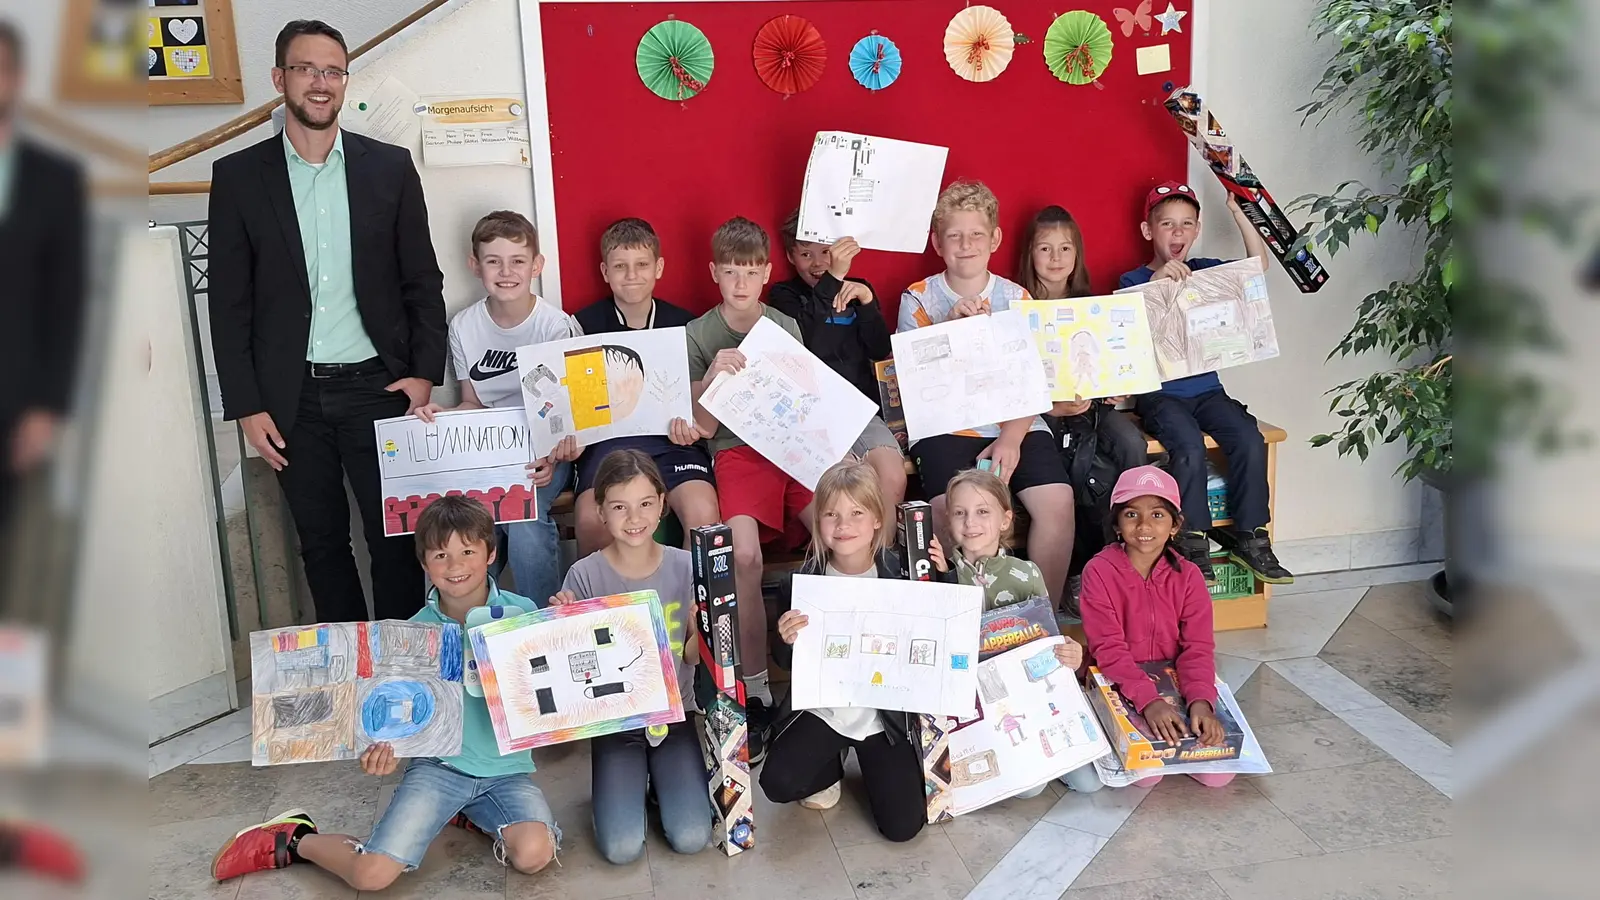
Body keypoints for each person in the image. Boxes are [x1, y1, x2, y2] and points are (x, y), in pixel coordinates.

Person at [208, 19, 446, 621]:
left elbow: (422, 279)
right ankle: (352, 671)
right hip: (291, 401)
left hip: (378, 387)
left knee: (395, 541)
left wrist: (423, 373)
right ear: (279, 78)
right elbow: (229, 303)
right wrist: (246, 404)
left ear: (344, 80)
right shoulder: (238, 178)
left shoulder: (388, 168)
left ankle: (399, 670)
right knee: (321, 546)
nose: (320, 82)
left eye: (332, 70)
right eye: (306, 69)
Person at [211, 496, 561, 888]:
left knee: (534, 854)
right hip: (439, 771)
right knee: (370, 876)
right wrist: (383, 751)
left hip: (506, 772)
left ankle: (467, 812)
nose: (456, 565)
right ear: (425, 564)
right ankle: (295, 838)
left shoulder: (523, 613)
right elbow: (390, 717)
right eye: (441, 555)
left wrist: (568, 621)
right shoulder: (407, 635)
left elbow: (553, 684)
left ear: (490, 553)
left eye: (467, 551)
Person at [898, 181, 1075, 608]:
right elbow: (915, 387)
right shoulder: (917, 298)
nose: (966, 245)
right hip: (945, 426)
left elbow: (1032, 381)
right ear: (937, 242)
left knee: (1057, 501)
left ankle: (1039, 616)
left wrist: (1012, 438)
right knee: (948, 510)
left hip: (1015, 421)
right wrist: (948, 329)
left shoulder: (1016, 297)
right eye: (954, 235)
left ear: (994, 239)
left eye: (976, 234)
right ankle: (958, 613)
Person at [1118, 182, 1292, 585]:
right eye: (1166, 225)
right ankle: (1192, 538)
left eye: (1186, 225)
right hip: (1161, 396)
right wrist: (1158, 282)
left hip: (1208, 390)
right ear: (1149, 231)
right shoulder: (1132, 280)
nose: (1176, 233)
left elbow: (1257, 267)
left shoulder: (1206, 271)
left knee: (1249, 437)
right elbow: (1125, 334)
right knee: (1188, 445)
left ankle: (1251, 535)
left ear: (1196, 230)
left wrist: (1240, 215)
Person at [685, 216, 811, 762]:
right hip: (734, 452)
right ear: (715, 273)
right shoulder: (697, 334)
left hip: (790, 448)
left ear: (766, 273)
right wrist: (713, 375)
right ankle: (756, 689)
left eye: (751, 272)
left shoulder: (784, 324)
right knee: (743, 556)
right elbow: (702, 430)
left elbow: (808, 407)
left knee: (847, 532)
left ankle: (831, 669)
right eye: (730, 272)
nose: (740, 283)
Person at [548, 450, 711, 863]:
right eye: (619, 507)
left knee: (692, 836)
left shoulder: (687, 567)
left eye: (644, 504)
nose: (633, 518)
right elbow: (574, 672)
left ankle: (661, 783)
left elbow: (691, 657)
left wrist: (702, 626)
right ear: (600, 511)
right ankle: (629, 783)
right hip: (615, 723)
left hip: (674, 716)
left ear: (662, 506)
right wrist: (563, 624)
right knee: (621, 849)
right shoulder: (584, 575)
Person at [762, 461, 931, 841]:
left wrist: (942, 574)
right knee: (777, 783)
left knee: (903, 828)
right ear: (817, 520)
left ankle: (874, 766)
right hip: (827, 708)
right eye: (831, 514)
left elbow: (934, 633)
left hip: (883, 715)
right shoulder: (802, 581)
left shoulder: (901, 573)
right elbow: (785, 662)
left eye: (857, 513)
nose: (843, 525)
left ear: (876, 519)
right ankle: (831, 766)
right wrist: (784, 639)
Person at [413, 210, 575, 604]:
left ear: (536, 266)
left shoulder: (555, 327)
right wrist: (440, 415)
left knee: (522, 517)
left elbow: (566, 417)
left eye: (518, 261)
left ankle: (544, 620)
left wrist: (550, 457)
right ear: (475, 266)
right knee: (457, 524)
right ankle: (455, 625)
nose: (507, 271)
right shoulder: (463, 326)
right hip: (491, 452)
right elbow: (472, 401)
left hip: (545, 453)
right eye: (493, 261)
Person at [1014, 204, 1149, 608]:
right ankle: (1077, 570)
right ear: (1029, 254)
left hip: (1091, 409)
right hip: (1038, 414)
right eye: (1045, 249)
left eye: (1065, 249)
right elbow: (1010, 382)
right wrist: (1051, 409)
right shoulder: (1017, 306)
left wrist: (1111, 391)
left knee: (1129, 443)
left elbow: (1117, 373)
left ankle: (1131, 553)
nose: (1056, 259)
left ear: (1077, 256)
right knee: (1066, 463)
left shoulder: (1093, 306)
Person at [933, 468, 1098, 794]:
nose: (970, 523)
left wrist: (1070, 651)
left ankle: (1050, 757)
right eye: (960, 513)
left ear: (1005, 520)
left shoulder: (1026, 573)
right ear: (949, 521)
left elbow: (1046, 637)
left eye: (983, 512)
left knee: (1089, 784)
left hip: (1032, 694)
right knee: (1030, 790)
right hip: (980, 700)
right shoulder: (943, 574)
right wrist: (939, 578)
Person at [567, 217, 719, 555]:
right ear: (605, 271)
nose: (631, 275)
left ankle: (693, 606)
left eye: (641, 265)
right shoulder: (582, 326)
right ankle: (610, 608)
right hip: (608, 445)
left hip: (672, 442)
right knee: (592, 519)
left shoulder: (685, 325)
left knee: (704, 516)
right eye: (620, 266)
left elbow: (697, 404)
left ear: (659, 267)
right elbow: (578, 407)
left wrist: (692, 428)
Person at [1079, 465, 1234, 789]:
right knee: (1148, 775)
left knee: (1217, 775)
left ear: (1175, 525)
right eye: (1132, 514)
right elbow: (1108, 649)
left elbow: (1198, 648)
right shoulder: (1099, 572)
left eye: (1158, 515)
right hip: (1120, 681)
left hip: (1173, 681)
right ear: (1117, 525)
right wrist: (1149, 703)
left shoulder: (1189, 576)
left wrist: (1201, 702)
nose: (1145, 526)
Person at [0, 19, 86, 533]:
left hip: (13, 400)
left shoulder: (54, 178)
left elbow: (64, 299)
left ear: (17, 79)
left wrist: (46, 407)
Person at [768, 212, 905, 508]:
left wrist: (867, 302)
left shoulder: (858, 289)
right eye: (806, 254)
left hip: (860, 409)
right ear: (791, 256)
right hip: (810, 414)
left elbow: (880, 350)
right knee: (845, 480)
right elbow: (804, 342)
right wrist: (833, 279)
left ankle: (884, 552)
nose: (818, 264)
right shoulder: (783, 295)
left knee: (892, 475)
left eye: (827, 253)